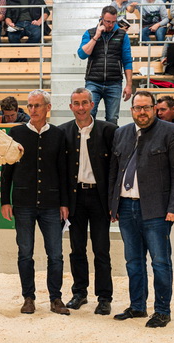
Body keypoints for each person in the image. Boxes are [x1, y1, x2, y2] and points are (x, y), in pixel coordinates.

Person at [109, 90, 174, 328]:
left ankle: (163, 310)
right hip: (125, 207)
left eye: (146, 107)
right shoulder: (121, 133)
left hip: (156, 210)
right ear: (131, 109)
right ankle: (137, 306)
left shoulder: (172, 132)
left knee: (160, 262)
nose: (141, 112)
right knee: (133, 261)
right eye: (137, 108)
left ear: (155, 108)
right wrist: (113, 205)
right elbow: (114, 172)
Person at [0, 89, 70, 316]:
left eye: (37, 106)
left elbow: (64, 172)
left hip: (51, 203)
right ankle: (28, 297)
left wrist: (64, 203)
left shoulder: (58, 135)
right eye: (29, 106)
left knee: (56, 254)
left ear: (47, 108)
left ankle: (56, 298)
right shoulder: (17, 133)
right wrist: (5, 200)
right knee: (25, 252)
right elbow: (7, 169)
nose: (32, 110)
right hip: (23, 202)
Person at [58, 87, 116, 315]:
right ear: (71, 106)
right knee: (76, 249)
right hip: (75, 199)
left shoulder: (109, 131)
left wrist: (114, 202)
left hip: (100, 199)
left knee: (102, 250)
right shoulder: (63, 132)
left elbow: (115, 170)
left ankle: (104, 297)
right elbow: (61, 172)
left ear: (92, 105)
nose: (80, 107)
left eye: (84, 103)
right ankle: (79, 293)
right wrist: (63, 203)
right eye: (76, 103)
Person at [78, 6, 133, 126]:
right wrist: (96, 36)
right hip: (93, 81)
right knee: (89, 116)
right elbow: (82, 54)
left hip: (114, 82)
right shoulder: (90, 33)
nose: (110, 25)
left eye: (113, 22)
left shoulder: (122, 35)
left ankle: (111, 145)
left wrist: (129, 85)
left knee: (112, 119)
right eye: (108, 21)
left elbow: (127, 60)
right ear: (101, 19)